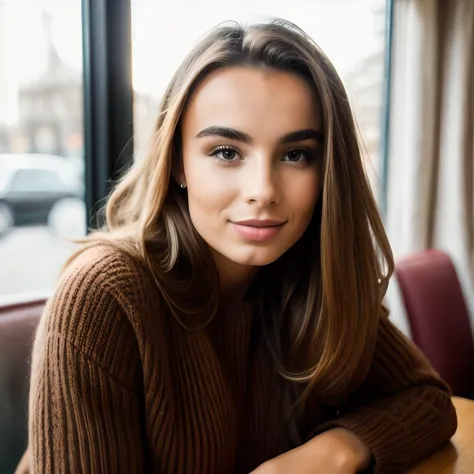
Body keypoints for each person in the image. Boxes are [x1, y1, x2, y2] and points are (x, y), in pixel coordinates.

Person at [18, 19, 456, 474]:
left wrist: (333, 453)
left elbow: (427, 401)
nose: (263, 190)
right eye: (226, 152)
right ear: (178, 165)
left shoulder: (310, 274)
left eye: (295, 154)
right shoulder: (103, 295)